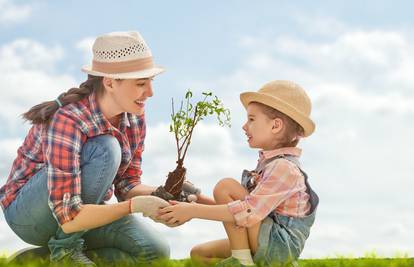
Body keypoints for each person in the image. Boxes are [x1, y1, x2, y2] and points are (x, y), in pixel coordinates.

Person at [0, 31, 206, 266]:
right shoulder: (69, 119)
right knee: (106, 148)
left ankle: (39, 260)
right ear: (109, 82)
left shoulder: (134, 116)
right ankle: (64, 253)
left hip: (81, 209)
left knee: (154, 252)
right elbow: (68, 216)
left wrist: (160, 196)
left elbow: (127, 185)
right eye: (141, 83)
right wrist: (134, 206)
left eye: (151, 82)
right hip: (30, 215)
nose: (150, 92)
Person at [159, 80, 320, 267]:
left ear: (276, 126)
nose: (244, 126)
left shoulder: (284, 169)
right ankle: (244, 259)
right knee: (200, 255)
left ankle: (242, 261)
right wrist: (199, 199)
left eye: (251, 119)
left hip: (278, 247)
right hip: (264, 239)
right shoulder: (269, 165)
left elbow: (247, 211)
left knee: (225, 186)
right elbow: (238, 211)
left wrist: (193, 211)